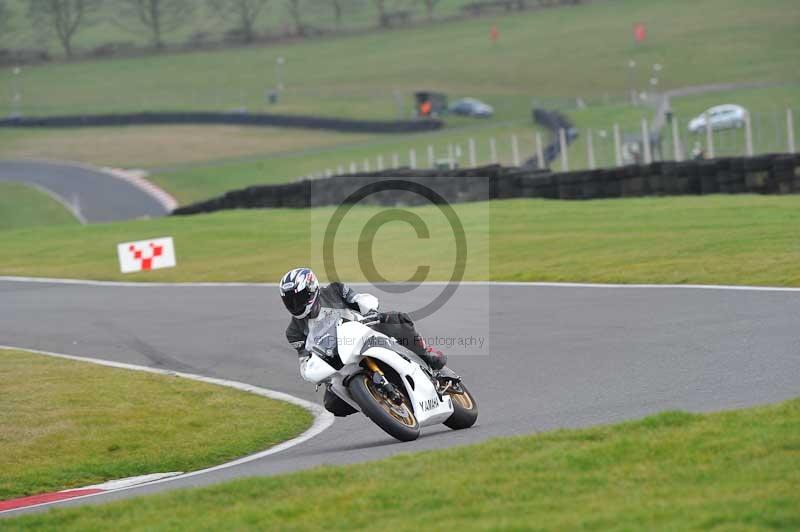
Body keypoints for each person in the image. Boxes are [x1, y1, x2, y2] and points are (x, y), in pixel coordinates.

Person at [279, 267, 447, 417]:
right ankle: (374, 402)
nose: (295, 304)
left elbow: (358, 299)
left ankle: (427, 356)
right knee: (332, 404)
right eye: (290, 301)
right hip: (339, 359)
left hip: (366, 333)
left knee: (397, 319)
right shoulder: (293, 332)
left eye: (299, 298)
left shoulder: (334, 290)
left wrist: (370, 311)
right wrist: (313, 373)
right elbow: (305, 360)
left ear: (311, 289)